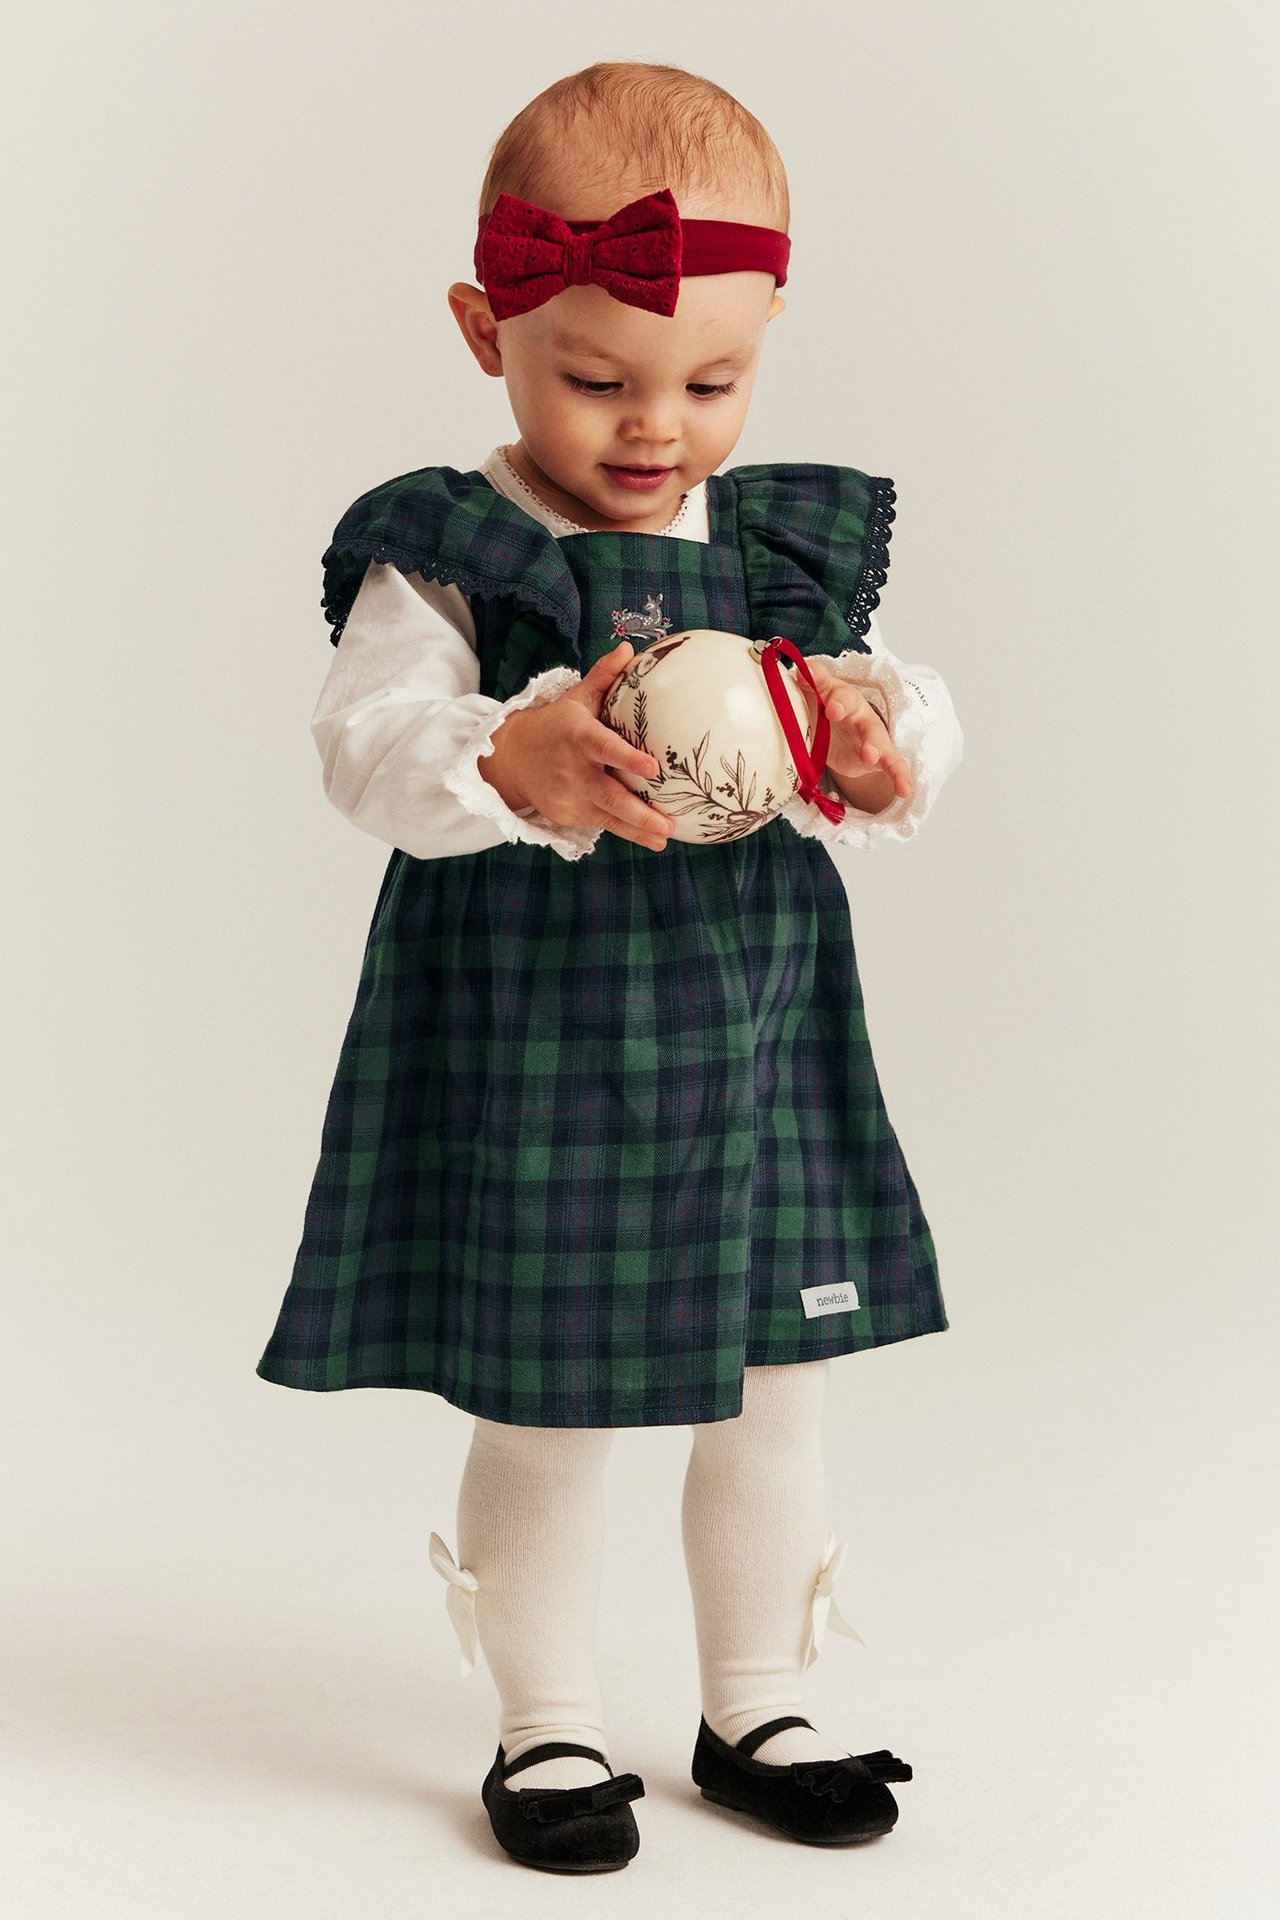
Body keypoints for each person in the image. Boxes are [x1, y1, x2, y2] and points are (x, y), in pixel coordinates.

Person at [255, 61, 963, 1872]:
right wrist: (504, 758)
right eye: (597, 378)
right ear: (486, 329)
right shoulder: (453, 546)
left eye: (710, 382)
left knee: (775, 1391)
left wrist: (886, 754)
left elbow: (893, 704)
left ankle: (757, 1699)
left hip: (753, 1027)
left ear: (767, 341)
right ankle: (549, 1727)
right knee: (553, 1398)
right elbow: (364, 747)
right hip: (545, 1039)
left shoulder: (776, 545)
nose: (656, 428)